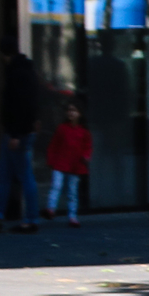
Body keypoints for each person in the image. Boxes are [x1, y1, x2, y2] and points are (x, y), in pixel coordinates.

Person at [0, 34, 40, 233]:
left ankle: (30, 218)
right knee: (10, 174)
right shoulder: (27, 70)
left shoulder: (15, 73)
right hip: (21, 130)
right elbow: (30, 103)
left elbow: (17, 105)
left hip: (16, 132)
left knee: (19, 175)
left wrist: (15, 133)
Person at [43, 95, 91, 227]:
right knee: (56, 186)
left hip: (74, 165)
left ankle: (72, 216)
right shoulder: (62, 129)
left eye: (74, 110)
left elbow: (87, 147)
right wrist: (51, 160)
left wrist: (86, 156)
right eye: (69, 110)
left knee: (72, 191)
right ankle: (51, 209)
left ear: (80, 113)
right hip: (61, 163)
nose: (71, 113)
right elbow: (54, 145)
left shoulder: (83, 132)